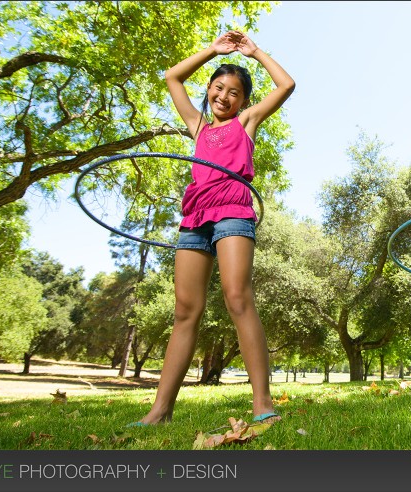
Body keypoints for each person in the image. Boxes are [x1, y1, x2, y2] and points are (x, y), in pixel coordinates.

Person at [131, 31, 294, 426]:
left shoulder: (247, 122)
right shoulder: (198, 126)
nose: (224, 96)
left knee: (238, 298)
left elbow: (286, 84)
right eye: (218, 88)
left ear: (245, 101)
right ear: (208, 89)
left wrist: (254, 51)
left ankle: (262, 404)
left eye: (234, 91)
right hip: (195, 218)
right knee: (186, 310)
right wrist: (212, 51)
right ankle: (160, 411)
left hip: (233, 212)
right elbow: (172, 77)